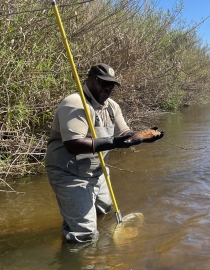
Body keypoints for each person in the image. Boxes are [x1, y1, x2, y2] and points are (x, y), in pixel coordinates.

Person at [45, 63, 164, 243]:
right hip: (70, 174)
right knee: (84, 234)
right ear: (90, 80)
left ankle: (99, 245)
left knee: (106, 212)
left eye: (111, 85)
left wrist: (142, 136)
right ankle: (77, 265)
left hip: (97, 171)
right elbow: (73, 145)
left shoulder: (112, 106)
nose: (107, 88)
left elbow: (124, 133)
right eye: (103, 83)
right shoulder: (75, 104)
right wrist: (114, 143)